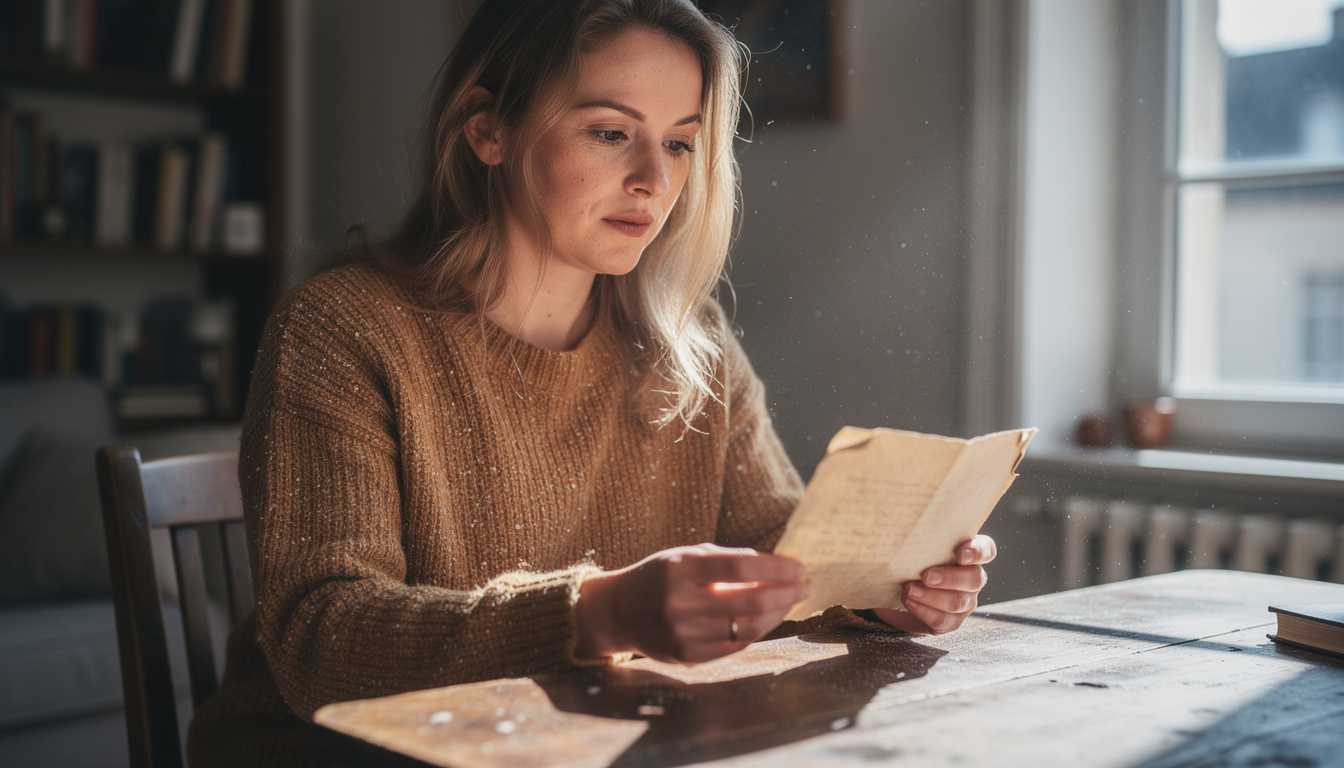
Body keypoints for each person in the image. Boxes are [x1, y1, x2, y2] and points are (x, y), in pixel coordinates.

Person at [188, 0, 996, 764]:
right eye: (611, 132)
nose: (654, 180)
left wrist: (880, 594)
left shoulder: (690, 341)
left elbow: (781, 552)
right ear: (488, 129)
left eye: (679, 143)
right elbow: (322, 640)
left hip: (585, 743)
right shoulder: (342, 328)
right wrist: (597, 613)